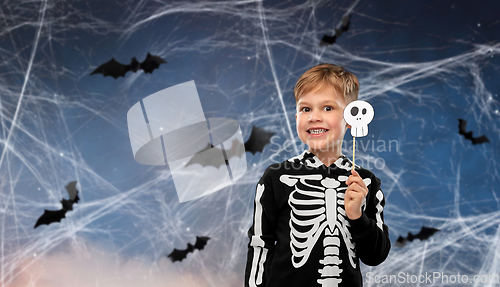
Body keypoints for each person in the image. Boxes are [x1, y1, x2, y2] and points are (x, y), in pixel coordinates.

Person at [245, 63, 390, 287]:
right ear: (296, 118)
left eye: (328, 108)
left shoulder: (366, 183)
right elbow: (260, 245)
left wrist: (357, 217)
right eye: (305, 109)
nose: (314, 117)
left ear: (353, 118)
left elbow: (375, 255)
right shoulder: (276, 178)